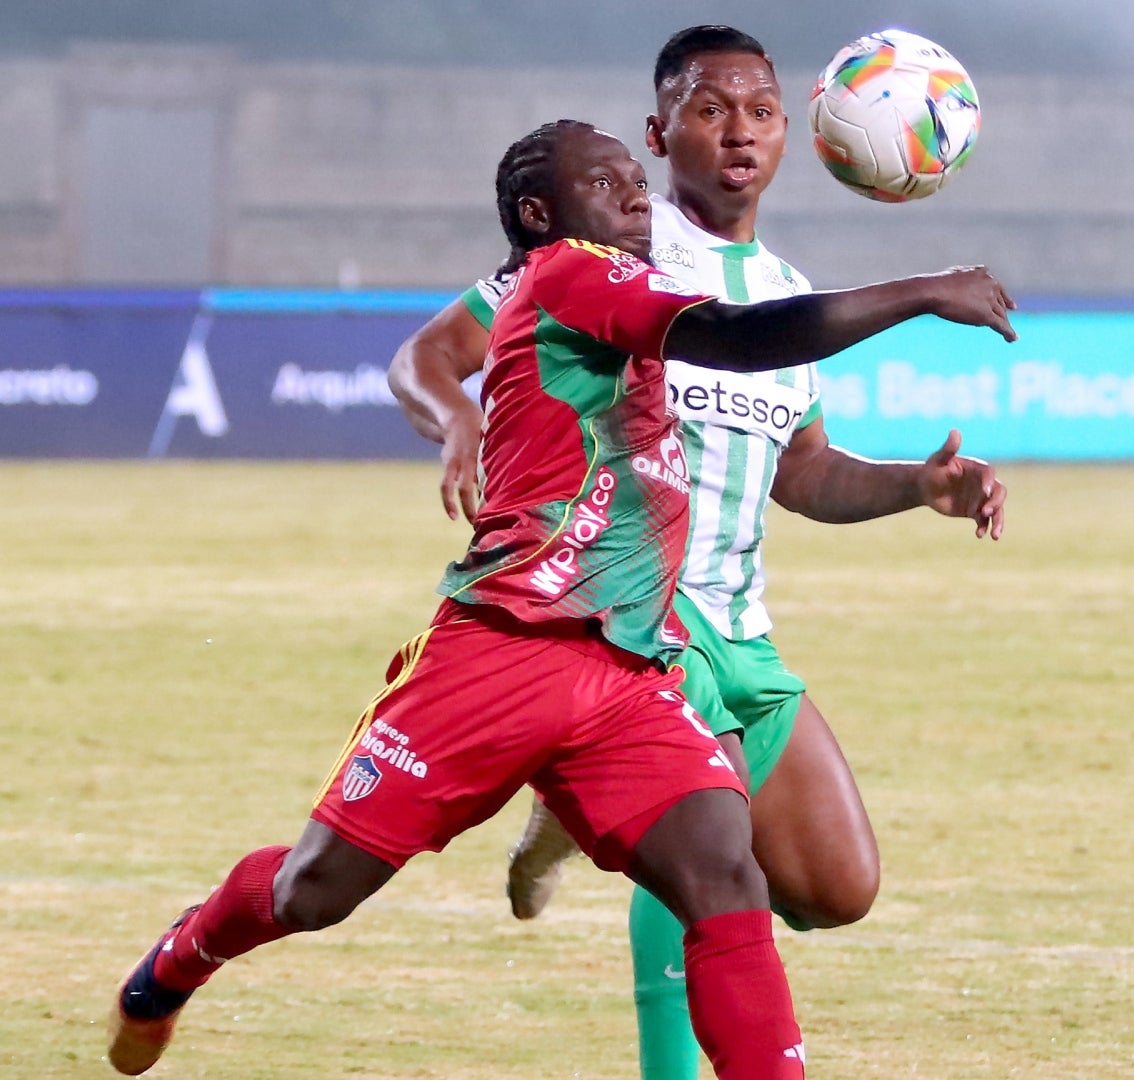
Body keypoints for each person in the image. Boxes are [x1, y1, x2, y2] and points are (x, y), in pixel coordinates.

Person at [106, 119, 1017, 1080]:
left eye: (637, 179)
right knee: (315, 890)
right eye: (611, 183)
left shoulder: (642, 288)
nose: (636, 197)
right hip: (500, 654)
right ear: (543, 214)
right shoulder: (570, 276)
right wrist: (922, 289)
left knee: (723, 875)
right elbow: (739, 338)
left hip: (627, 668)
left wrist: (916, 484)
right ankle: (177, 961)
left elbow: (784, 424)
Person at [387, 25, 1011, 1079]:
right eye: (710, 109)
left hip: (740, 630)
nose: (739, 133)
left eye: (761, 112)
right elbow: (426, 357)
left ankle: (576, 821)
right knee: (714, 870)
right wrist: (456, 417)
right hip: (627, 625)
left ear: (793, 136)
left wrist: (919, 487)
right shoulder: (599, 259)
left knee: (837, 889)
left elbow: (803, 475)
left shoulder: (786, 286)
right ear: (658, 131)